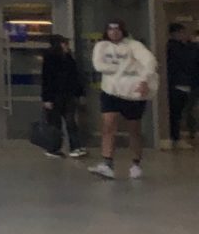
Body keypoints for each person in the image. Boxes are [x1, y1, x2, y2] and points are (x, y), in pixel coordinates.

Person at [92, 19, 157, 180]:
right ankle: (107, 163)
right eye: (110, 29)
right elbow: (99, 65)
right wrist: (124, 68)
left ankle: (136, 163)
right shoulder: (101, 46)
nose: (114, 32)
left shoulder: (134, 46)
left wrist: (143, 80)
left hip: (132, 93)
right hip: (110, 91)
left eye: (117, 29)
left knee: (133, 129)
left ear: (123, 31)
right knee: (108, 125)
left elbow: (149, 61)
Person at [38, 34, 88, 159]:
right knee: (55, 124)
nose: (67, 46)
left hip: (68, 95)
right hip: (55, 96)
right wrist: (47, 99)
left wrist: (79, 93)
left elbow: (75, 78)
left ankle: (75, 147)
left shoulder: (68, 58)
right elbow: (47, 80)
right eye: (64, 43)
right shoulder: (50, 59)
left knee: (70, 121)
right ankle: (54, 148)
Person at [166, 21, 197, 149]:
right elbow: (187, 61)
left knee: (183, 112)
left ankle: (180, 136)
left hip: (187, 82)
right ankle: (175, 137)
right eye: (181, 32)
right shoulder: (173, 47)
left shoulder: (188, 46)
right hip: (178, 83)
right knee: (176, 113)